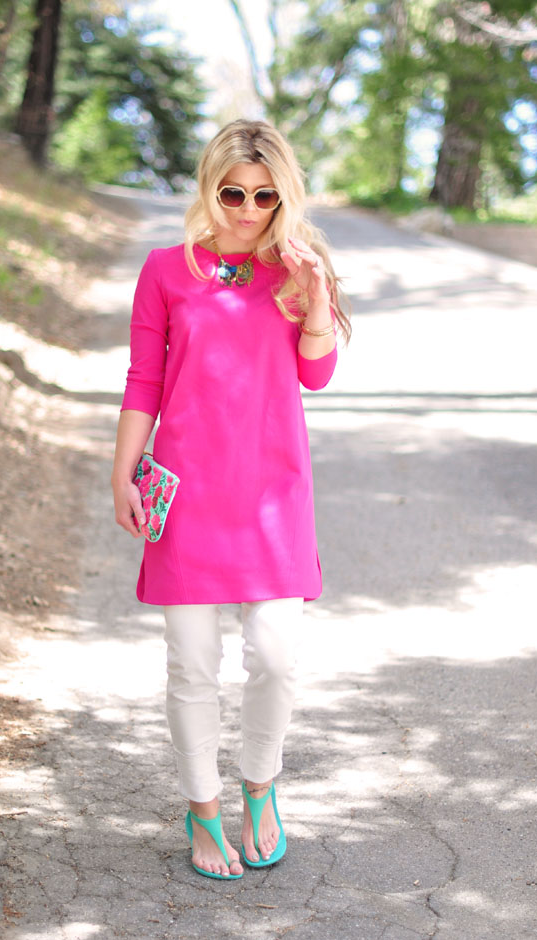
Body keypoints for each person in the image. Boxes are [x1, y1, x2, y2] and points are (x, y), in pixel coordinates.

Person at [111, 118, 350, 881]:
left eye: (265, 196)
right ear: (210, 185)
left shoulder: (300, 266)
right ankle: (204, 811)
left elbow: (316, 376)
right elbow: (144, 378)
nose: (248, 210)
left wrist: (315, 300)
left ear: (285, 196)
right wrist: (123, 471)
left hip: (274, 494)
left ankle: (261, 788)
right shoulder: (165, 270)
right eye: (233, 193)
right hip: (187, 494)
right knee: (192, 664)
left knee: (276, 661)